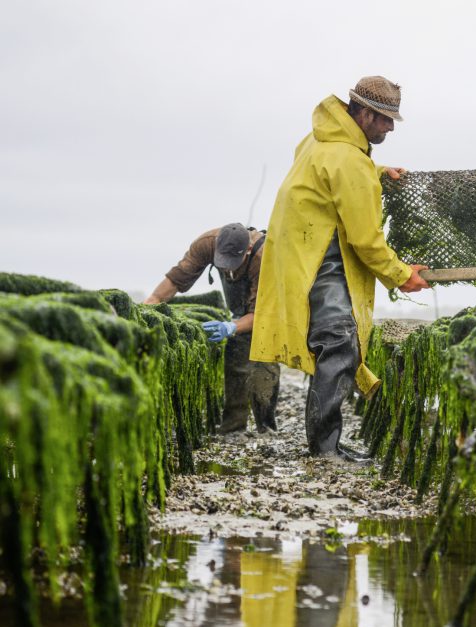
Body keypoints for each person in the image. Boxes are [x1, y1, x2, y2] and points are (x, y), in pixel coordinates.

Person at [250, 75, 430, 462]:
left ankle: (324, 442)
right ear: (363, 114)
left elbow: (334, 173)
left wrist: (377, 172)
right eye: (384, 119)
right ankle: (324, 448)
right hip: (320, 256)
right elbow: (366, 240)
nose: (389, 127)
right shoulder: (349, 160)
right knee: (338, 343)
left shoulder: (321, 137)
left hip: (298, 250)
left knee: (332, 343)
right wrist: (402, 275)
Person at [144, 223, 281, 433]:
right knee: (235, 360)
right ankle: (233, 429)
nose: (226, 268)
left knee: (264, 368)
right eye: (222, 263)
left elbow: (263, 314)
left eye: (232, 263)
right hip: (239, 312)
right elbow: (175, 280)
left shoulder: (265, 258)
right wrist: (147, 308)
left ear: (247, 250)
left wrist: (230, 327)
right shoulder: (206, 244)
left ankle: (266, 429)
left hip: (266, 312)